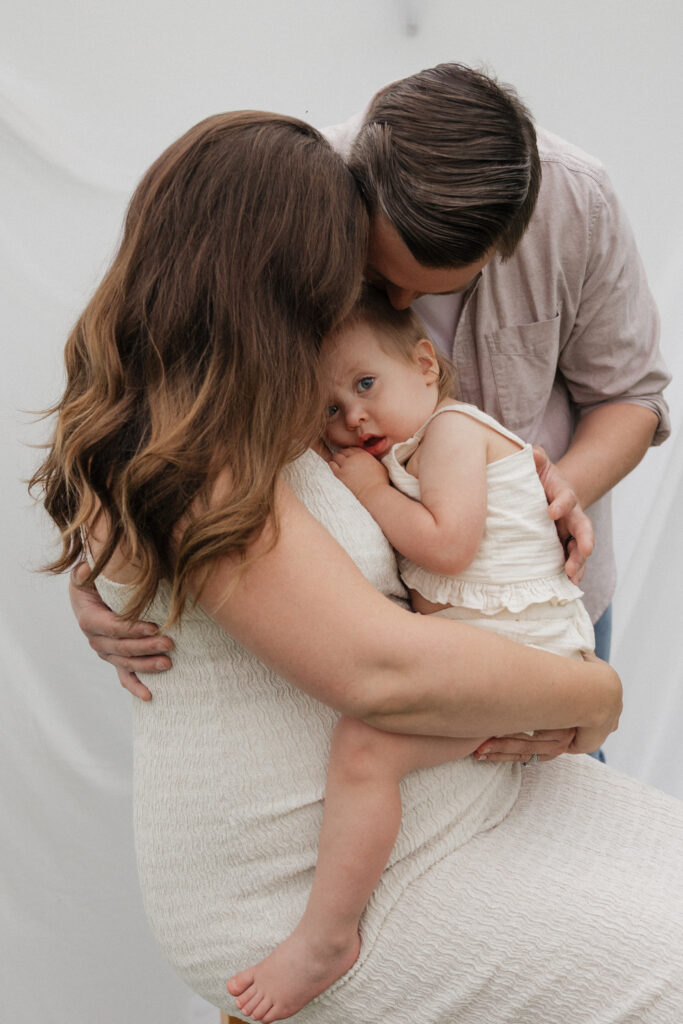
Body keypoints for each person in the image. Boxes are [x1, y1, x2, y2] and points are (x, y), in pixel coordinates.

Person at [43, 113, 683, 1022]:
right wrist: (593, 697)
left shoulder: (277, 405)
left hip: (457, 789)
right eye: (334, 273)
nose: (359, 297)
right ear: (268, 275)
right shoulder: (193, 451)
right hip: (309, 879)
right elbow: (376, 668)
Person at [227, 288, 597, 1022]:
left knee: (366, 746)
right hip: (490, 647)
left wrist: (367, 489)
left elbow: (448, 548)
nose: (351, 417)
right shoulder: (403, 446)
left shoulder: (454, 433)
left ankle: (327, 937)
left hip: (526, 647)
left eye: (364, 385)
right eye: (328, 408)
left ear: (425, 365)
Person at [325, 62, 671, 668]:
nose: (401, 304)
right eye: (381, 280)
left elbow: (629, 398)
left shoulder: (576, 201)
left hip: (542, 591)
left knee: (569, 757)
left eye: (433, 289)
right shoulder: (303, 189)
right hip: (366, 601)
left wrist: (558, 495)